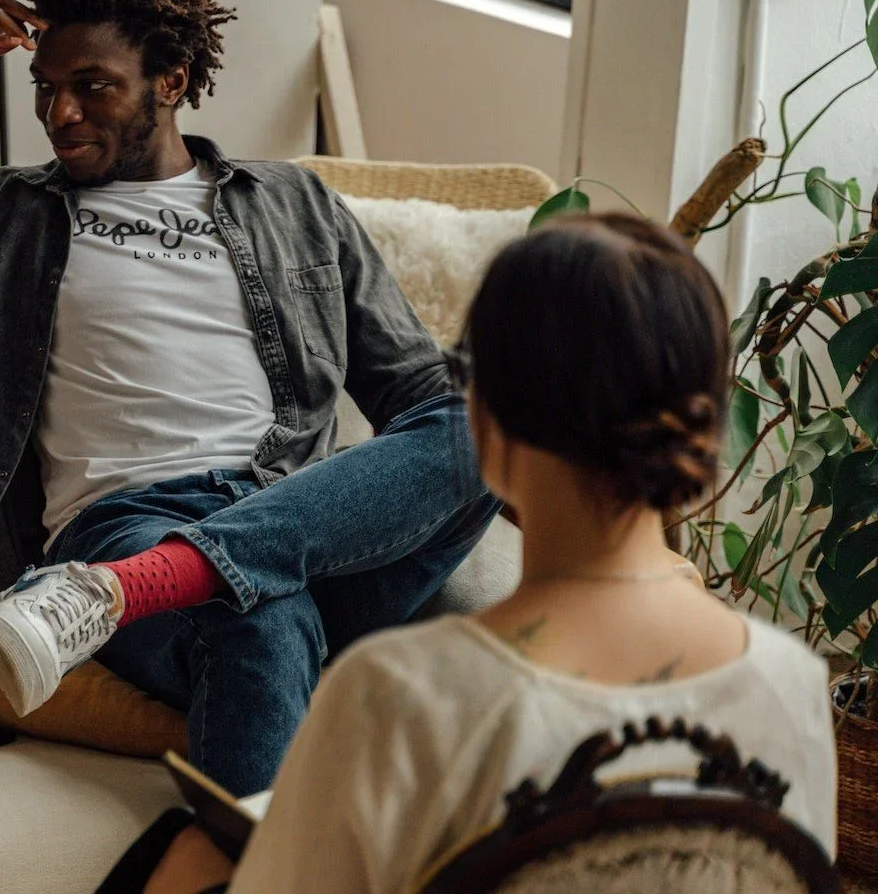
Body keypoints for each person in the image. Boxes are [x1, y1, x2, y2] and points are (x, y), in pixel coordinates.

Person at [0, 0, 499, 795]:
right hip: (125, 528)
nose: (60, 114)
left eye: (91, 87)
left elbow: (422, 403)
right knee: (256, 616)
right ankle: (142, 589)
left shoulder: (297, 205)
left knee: (492, 427)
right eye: (46, 89)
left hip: (297, 523)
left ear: (170, 81)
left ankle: (142, 588)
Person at [116, 214, 839, 893]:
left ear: (482, 423)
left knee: (186, 851)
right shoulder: (794, 684)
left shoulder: (397, 695)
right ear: (706, 423)